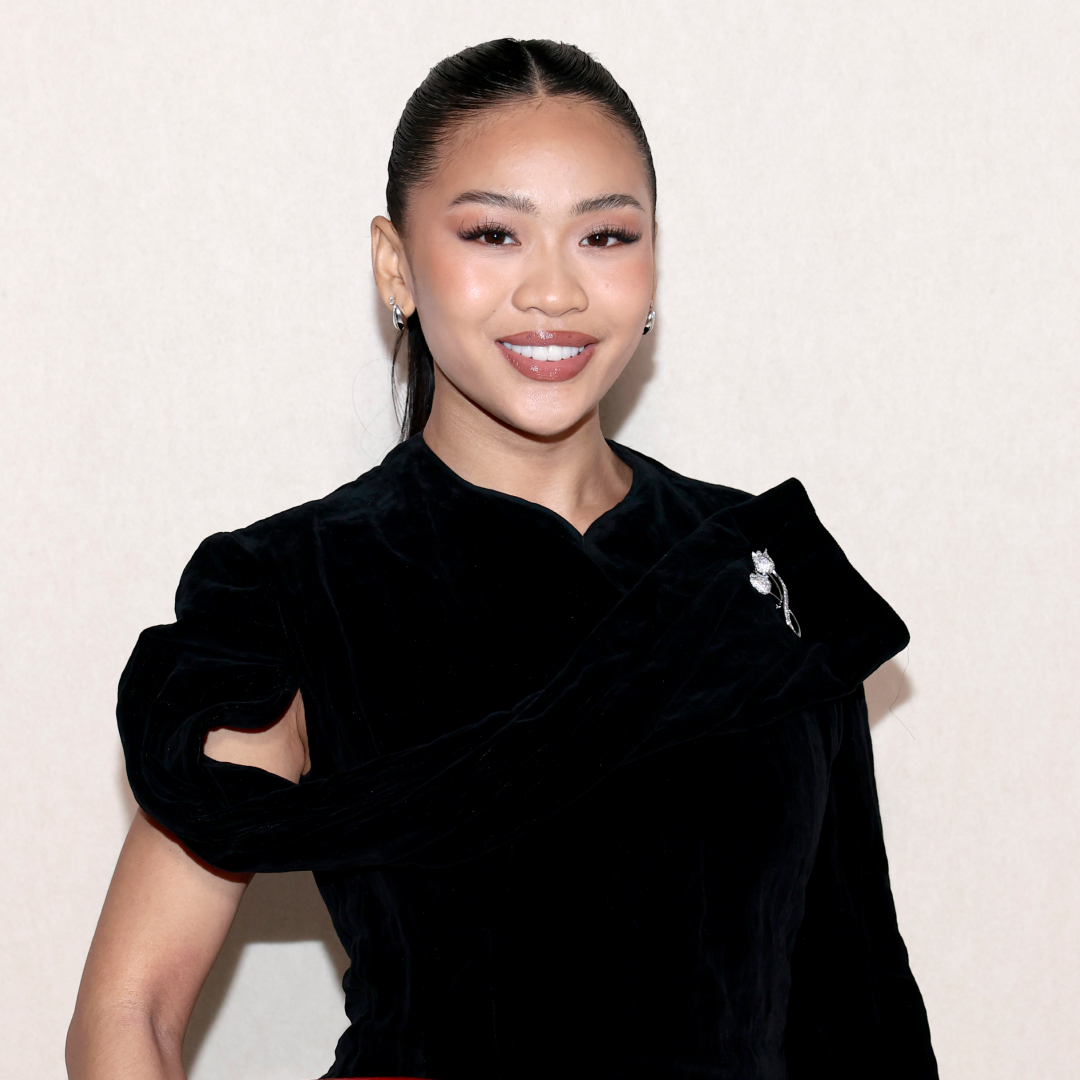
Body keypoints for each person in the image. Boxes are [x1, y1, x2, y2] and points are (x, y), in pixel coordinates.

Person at [66, 38, 937, 1080]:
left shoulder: (762, 578)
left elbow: (857, 1003)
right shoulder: (299, 589)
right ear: (397, 264)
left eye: (605, 236)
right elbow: (131, 1011)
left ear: (655, 262)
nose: (555, 293)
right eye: (494, 233)